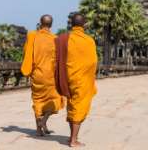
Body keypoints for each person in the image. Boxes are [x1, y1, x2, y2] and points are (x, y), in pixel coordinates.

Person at [54, 13, 97, 147]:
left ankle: (72, 136)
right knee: (78, 106)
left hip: (69, 78)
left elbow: (56, 56)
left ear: (71, 25)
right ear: (85, 25)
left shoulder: (64, 38)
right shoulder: (89, 40)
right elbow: (93, 61)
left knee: (72, 105)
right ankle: (73, 141)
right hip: (82, 79)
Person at [21, 15, 66, 136]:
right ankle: (44, 120)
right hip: (50, 76)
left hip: (37, 74)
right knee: (56, 99)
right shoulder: (56, 39)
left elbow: (27, 53)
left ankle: (39, 131)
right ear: (51, 25)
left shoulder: (32, 36)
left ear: (40, 24)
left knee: (37, 101)